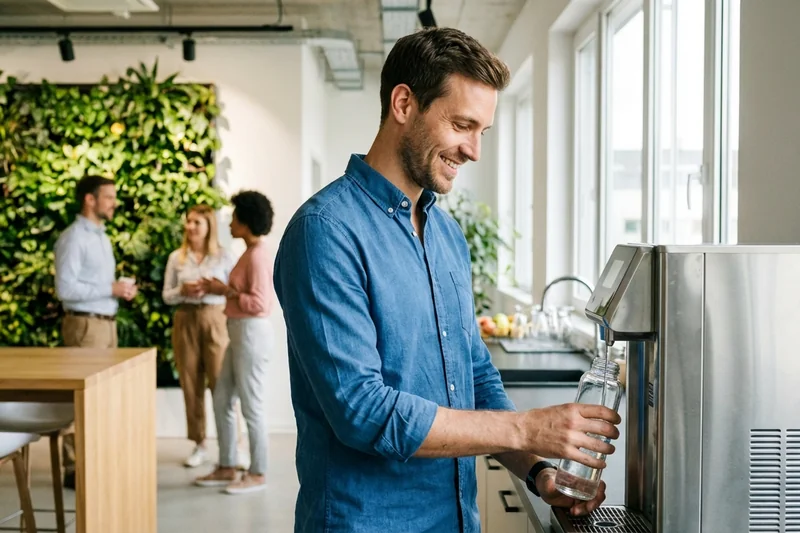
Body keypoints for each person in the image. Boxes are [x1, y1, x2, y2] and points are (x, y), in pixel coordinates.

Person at [273, 27, 621, 533]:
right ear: (403, 103)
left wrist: (538, 469)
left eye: (483, 131)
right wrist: (527, 428)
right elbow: (361, 411)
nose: (474, 150)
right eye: (462, 124)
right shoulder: (324, 233)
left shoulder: (446, 234)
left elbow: (474, 377)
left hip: (455, 519)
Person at [54, 175, 138, 489]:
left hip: (105, 324)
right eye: (108, 196)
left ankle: (95, 462)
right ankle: (74, 470)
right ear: (90, 199)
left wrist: (119, 291)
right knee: (82, 397)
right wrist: (110, 287)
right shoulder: (74, 237)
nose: (113, 202)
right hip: (85, 326)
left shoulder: (101, 236)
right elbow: (64, 288)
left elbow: (95, 285)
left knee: (102, 396)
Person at [193, 191, 275, 495]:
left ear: (246, 220)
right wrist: (224, 289)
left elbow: (261, 303)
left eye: (234, 216)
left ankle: (257, 472)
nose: (229, 222)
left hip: (251, 333)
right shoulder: (249, 252)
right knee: (222, 397)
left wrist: (224, 291)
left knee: (251, 405)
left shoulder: (257, 256)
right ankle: (227, 465)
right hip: (239, 332)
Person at [162, 205, 233, 468]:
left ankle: (233, 445)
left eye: (196, 223)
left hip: (216, 318)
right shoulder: (176, 258)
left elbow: (235, 290)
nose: (190, 227)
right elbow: (166, 295)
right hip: (186, 319)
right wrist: (183, 290)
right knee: (191, 383)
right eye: (188, 222)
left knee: (222, 383)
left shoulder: (224, 257)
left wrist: (213, 288)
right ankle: (199, 443)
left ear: (209, 228)